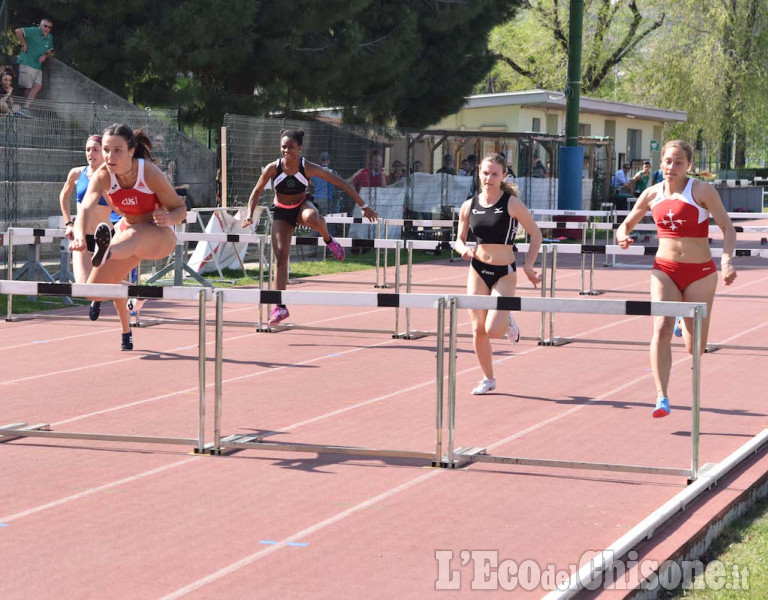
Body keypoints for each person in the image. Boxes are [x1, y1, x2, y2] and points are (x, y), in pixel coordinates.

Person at [616, 140, 737, 418]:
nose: (672, 167)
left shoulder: (702, 190)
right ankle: (661, 396)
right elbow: (626, 223)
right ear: (660, 164)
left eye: (679, 162)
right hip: (665, 270)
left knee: (697, 349)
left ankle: (684, 321)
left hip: (700, 274)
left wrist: (727, 260)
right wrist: (622, 235)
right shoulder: (650, 194)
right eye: (668, 161)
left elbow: (728, 229)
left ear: (689, 166)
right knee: (660, 327)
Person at [242, 129, 378, 326]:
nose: (286, 150)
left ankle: (328, 239)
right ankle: (280, 307)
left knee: (313, 216)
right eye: (283, 147)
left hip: (301, 206)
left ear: (299, 148)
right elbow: (256, 192)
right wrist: (249, 214)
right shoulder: (273, 168)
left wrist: (363, 206)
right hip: (281, 211)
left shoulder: (308, 167)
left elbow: (340, 183)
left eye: (290, 147)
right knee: (280, 257)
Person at [71, 124, 187, 351]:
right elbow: (85, 209)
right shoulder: (103, 174)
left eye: (117, 151)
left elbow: (180, 209)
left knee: (132, 235)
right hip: (129, 232)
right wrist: (78, 236)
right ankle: (129, 304)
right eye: (106, 150)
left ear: (131, 151)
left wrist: (167, 218)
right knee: (91, 290)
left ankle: (107, 251)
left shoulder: (149, 173)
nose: (109, 156)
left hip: (160, 234)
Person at [454, 153, 543, 395]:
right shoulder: (468, 205)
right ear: (479, 174)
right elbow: (459, 240)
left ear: (503, 176)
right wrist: (464, 250)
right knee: (477, 329)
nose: (489, 178)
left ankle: (505, 319)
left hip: (504, 272)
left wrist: (528, 266)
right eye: (485, 173)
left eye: (494, 174)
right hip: (478, 270)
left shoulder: (511, 204)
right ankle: (488, 378)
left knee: (493, 330)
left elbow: (536, 234)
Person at [59, 135, 121, 321]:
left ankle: (109, 300)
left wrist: (103, 190)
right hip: (82, 237)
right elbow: (63, 195)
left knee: (110, 282)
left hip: (105, 236)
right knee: (83, 286)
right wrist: (69, 223)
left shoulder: (111, 177)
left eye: (95, 149)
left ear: (103, 152)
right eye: (88, 149)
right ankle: (98, 298)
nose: (90, 153)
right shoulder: (77, 173)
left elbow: (119, 208)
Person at [14, 18, 53, 116]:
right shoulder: (33, 30)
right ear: (40, 25)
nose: (47, 28)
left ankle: (25, 108)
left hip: (37, 66)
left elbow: (49, 52)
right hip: (27, 62)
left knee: (38, 86)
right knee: (27, 87)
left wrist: (45, 56)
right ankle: (24, 110)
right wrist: (24, 44)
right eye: (45, 26)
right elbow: (18, 31)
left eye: (49, 27)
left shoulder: (49, 37)